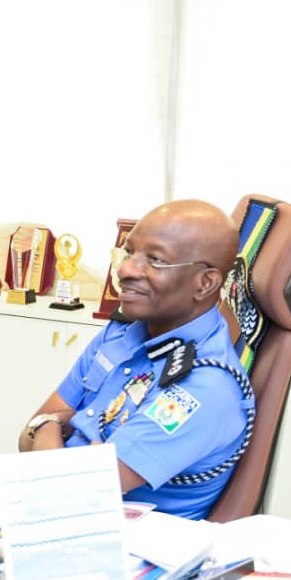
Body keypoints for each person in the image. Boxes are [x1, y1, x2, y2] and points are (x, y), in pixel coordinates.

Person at [18, 199, 253, 520]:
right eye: (129, 254)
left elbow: (69, 488)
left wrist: (51, 425)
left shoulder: (204, 384)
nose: (126, 270)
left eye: (155, 261)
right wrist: (49, 427)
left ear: (206, 282)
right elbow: (24, 439)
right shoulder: (122, 332)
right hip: (61, 517)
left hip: (131, 551)